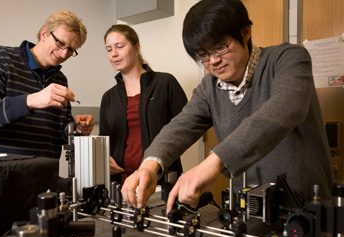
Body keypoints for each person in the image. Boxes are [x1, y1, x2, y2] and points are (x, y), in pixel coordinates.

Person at [121, 0, 334, 213]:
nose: (213, 60)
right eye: (203, 55)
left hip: (306, 210)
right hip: (248, 212)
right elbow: (181, 126)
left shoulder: (287, 59)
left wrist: (216, 161)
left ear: (246, 32)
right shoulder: (209, 87)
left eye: (220, 47)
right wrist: (150, 164)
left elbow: (285, 108)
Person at [0, 10, 94, 159]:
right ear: (44, 34)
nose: (64, 54)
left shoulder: (60, 79)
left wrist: (76, 129)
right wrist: (30, 101)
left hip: (39, 174)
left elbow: (57, 137)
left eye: (70, 49)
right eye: (60, 43)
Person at [100, 24, 188, 185]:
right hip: (121, 182)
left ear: (137, 47)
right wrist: (104, 160)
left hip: (161, 179)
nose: (114, 54)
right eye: (109, 49)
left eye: (119, 46)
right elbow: (104, 141)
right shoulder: (108, 97)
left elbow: (186, 129)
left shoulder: (165, 83)